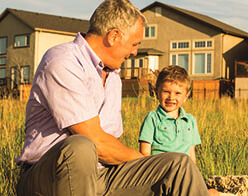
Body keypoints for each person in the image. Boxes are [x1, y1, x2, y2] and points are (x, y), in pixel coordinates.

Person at [15, 0, 209, 195]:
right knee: (82, 146)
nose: (134, 52)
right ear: (114, 36)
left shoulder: (113, 75)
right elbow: (97, 142)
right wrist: (145, 163)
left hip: (102, 175)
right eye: (134, 44)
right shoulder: (63, 61)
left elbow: (110, 146)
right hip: (50, 178)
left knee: (177, 165)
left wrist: (155, 168)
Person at [139, 65, 219, 196]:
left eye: (177, 93)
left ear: (186, 96)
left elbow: (191, 154)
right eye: (166, 92)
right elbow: (144, 153)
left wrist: (196, 177)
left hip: (187, 174)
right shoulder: (153, 118)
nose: (171, 97)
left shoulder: (190, 120)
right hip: (163, 174)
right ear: (156, 92)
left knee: (213, 193)